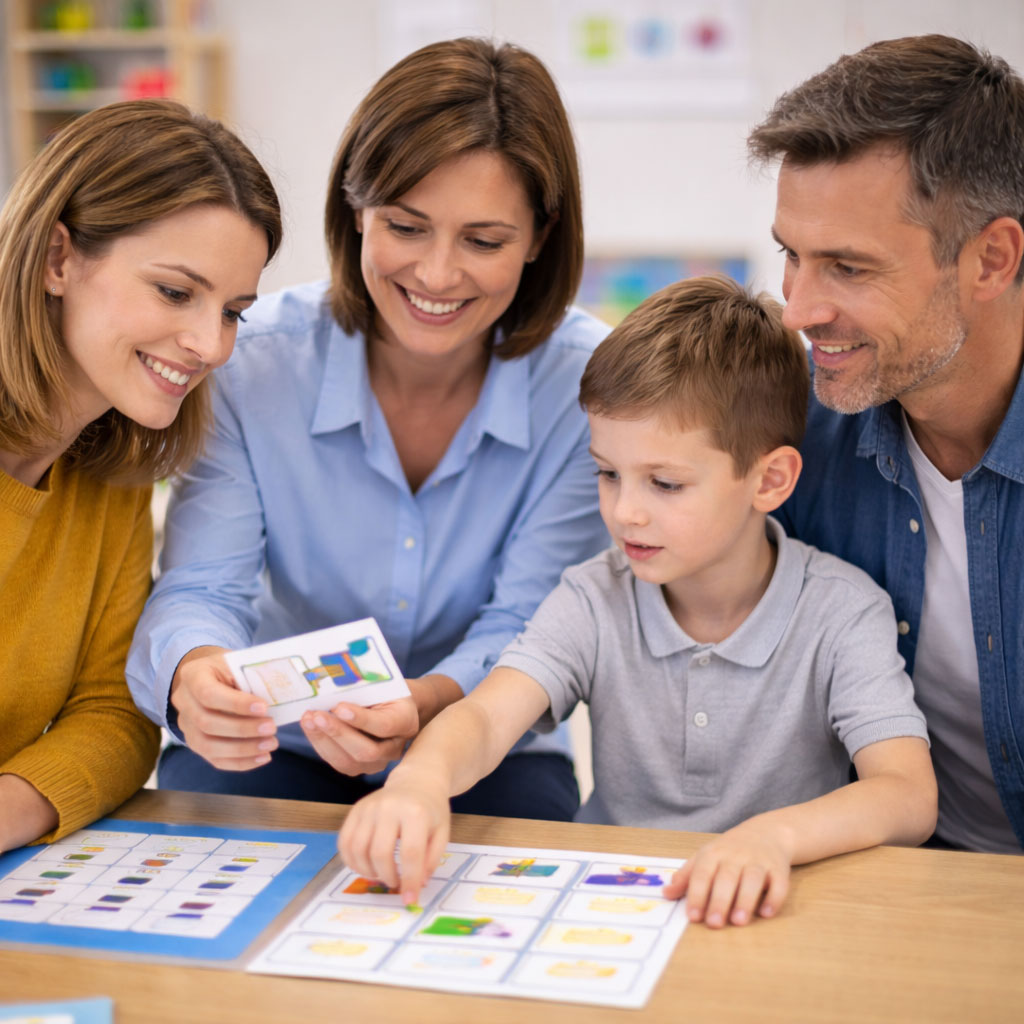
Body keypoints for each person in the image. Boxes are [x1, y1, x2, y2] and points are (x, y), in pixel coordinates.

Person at [338, 275, 938, 928]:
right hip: (611, 910)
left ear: (769, 480)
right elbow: (484, 720)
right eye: (608, 473)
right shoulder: (593, 596)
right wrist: (420, 782)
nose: (625, 512)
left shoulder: (843, 611)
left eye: (665, 483)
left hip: (775, 916)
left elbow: (905, 794)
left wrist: (772, 838)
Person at [126, 39, 609, 819]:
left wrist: (426, 706)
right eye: (406, 226)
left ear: (541, 237)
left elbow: (527, 624)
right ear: (356, 208)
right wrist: (195, 671)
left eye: (484, 241)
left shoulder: (588, 388)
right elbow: (204, 587)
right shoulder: (250, 364)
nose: (438, 275)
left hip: (487, 742)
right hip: (274, 741)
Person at [747, 35, 1024, 854]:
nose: (797, 309)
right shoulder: (792, 430)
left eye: (849, 268)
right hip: (899, 883)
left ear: (993, 258)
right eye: (792, 256)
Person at [0, 99, 282, 851]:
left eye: (234, 311)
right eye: (175, 292)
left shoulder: (108, 476)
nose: (210, 345)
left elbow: (116, 716)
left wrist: (14, 807)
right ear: (59, 259)